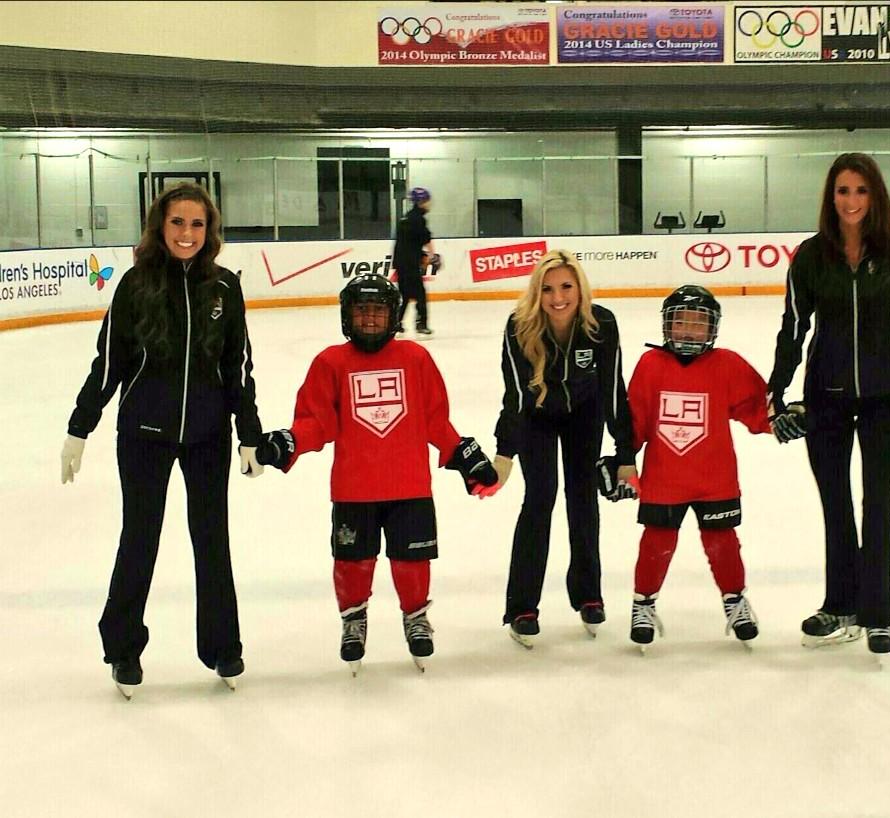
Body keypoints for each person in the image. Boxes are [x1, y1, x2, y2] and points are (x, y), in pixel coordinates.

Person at [60, 183, 263, 698]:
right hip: (144, 435)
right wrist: (79, 426)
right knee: (140, 538)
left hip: (207, 435)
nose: (187, 234)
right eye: (177, 223)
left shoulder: (224, 289)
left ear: (209, 230)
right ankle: (123, 649)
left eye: (197, 224)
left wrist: (249, 432)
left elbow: (238, 365)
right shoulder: (135, 284)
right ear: (160, 226)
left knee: (211, 539)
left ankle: (223, 646)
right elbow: (109, 362)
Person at [254, 274, 497, 675]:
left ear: (393, 316)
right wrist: (289, 440)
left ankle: (415, 615)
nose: (370, 319)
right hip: (354, 490)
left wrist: (465, 456)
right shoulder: (330, 362)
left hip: (410, 487)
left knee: (412, 561)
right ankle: (353, 618)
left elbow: (435, 421)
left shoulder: (416, 360)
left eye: (378, 311)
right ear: (347, 316)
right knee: (353, 561)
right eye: (362, 310)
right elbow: (318, 422)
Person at [767, 152, 890, 656]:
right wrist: (776, 390)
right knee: (836, 507)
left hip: (885, 397)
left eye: (861, 191)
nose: (852, 201)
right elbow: (794, 327)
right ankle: (839, 606)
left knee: (878, 505)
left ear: (875, 195)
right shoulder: (812, 256)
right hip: (827, 398)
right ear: (831, 196)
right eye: (843, 191)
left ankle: (878, 614)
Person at [606, 285, 770, 650]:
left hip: (716, 479)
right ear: (667, 326)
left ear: (712, 328)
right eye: (681, 322)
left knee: (723, 542)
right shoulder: (651, 365)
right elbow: (636, 421)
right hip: (664, 480)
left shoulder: (728, 364)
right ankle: (643, 603)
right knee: (656, 543)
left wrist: (785, 419)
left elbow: (756, 409)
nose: (689, 331)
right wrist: (622, 460)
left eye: (698, 323)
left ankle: (735, 600)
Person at [490, 249, 635, 647]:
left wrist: (625, 455)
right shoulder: (520, 326)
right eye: (549, 288)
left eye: (567, 286)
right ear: (537, 292)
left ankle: (589, 594)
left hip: (583, 417)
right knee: (539, 498)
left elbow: (612, 392)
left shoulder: (601, 323)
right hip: (536, 417)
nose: (558, 297)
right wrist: (505, 453)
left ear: (580, 288)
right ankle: (522, 605)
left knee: (583, 498)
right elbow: (516, 394)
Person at [391, 186, 439, 335]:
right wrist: (432, 255)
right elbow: (426, 239)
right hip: (410, 264)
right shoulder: (418, 219)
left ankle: (395, 323)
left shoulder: (406, 218)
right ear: (421, 202)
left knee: (404, 294)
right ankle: (421, 324)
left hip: (402, 262)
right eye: (427, 201)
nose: (429, 203)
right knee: (420, 294)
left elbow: (408, 243)